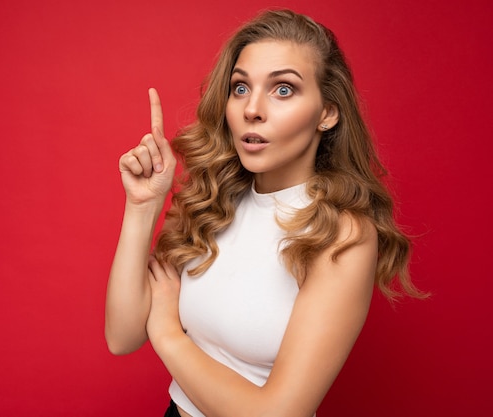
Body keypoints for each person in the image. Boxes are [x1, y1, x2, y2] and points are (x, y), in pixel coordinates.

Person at [105, 9, 425, 417]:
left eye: (283, 90)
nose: (252, 109)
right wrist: (142, 206)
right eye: (240, 88)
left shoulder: (343, 233)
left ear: (327, 112)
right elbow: (122, 335)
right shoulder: (211, 200)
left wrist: (168, 334)